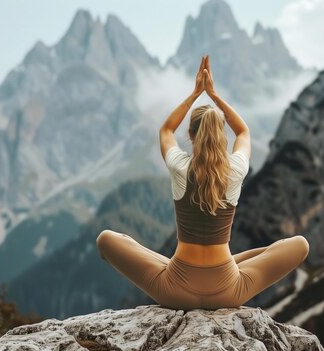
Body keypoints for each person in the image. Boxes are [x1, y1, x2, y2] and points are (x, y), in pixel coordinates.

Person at [96, 55, 309, 310]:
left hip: (175, 291)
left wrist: (197, 93)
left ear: (191, 134)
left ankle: (178, 263)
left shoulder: (180, 166)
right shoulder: (235, 170)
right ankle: (232, 261)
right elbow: (243, 132)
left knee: (107, 239)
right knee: (298, 244)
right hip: (229, 291)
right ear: (221, 135)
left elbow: (165, 130)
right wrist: (215, 96)